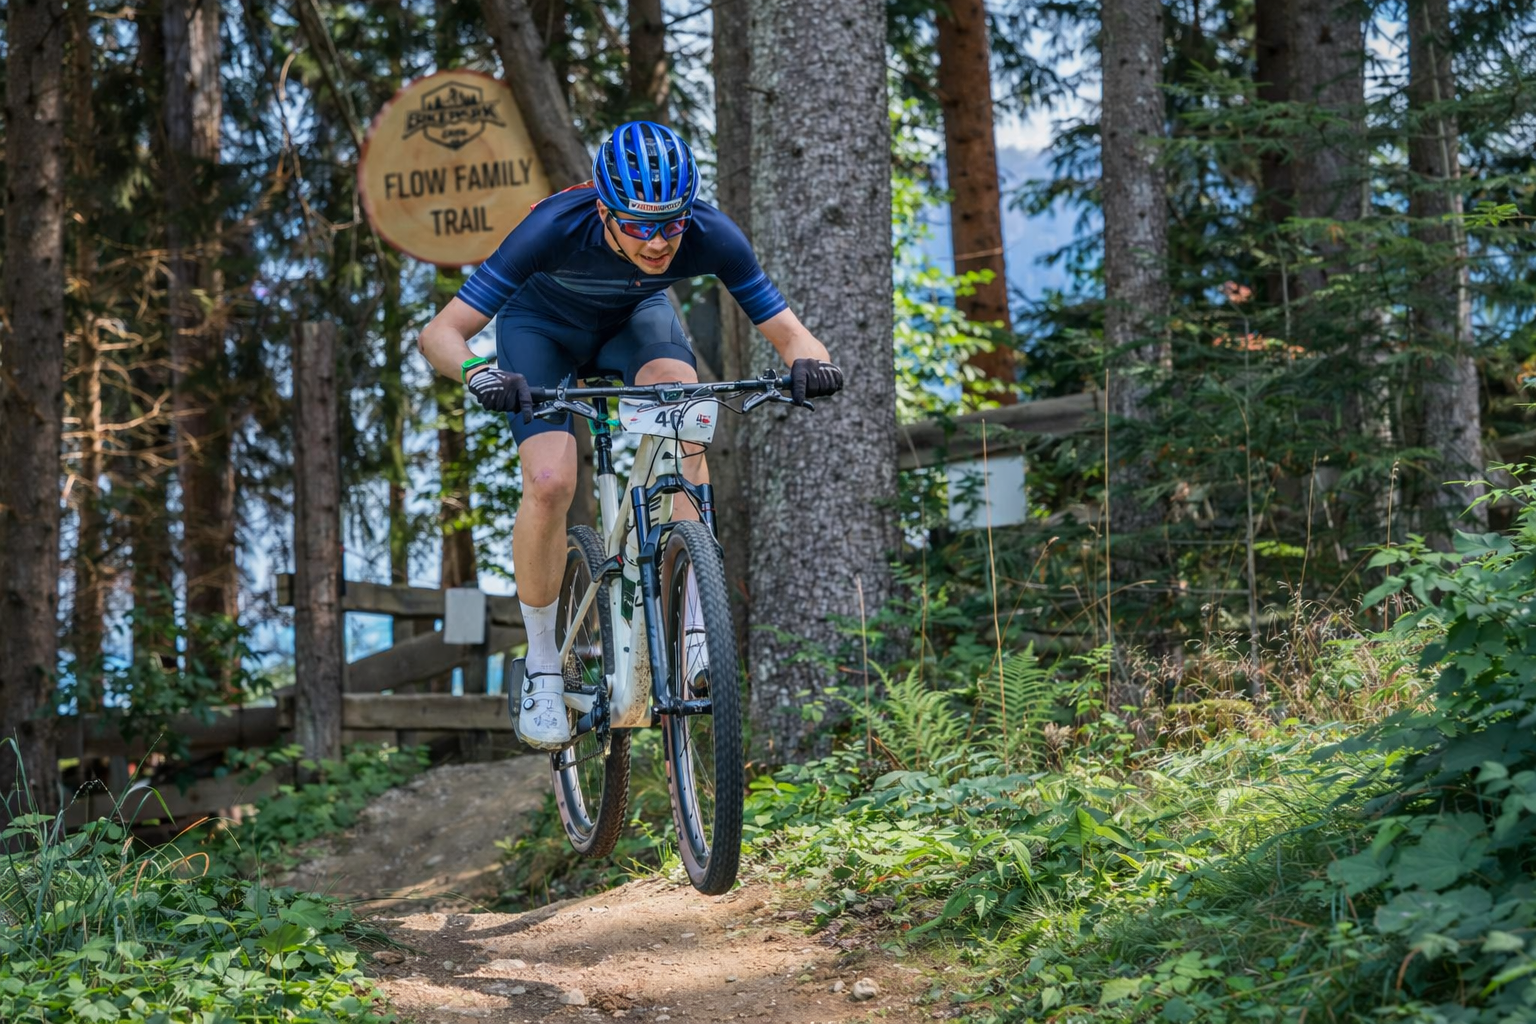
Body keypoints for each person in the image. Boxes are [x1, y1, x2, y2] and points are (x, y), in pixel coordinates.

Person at [417, 120, 843, 750]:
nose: (658, 243)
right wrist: (481, 373)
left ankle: (697, 627)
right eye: (640, 225)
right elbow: (439, 335)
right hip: (542, 330)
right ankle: (540, 665)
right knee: (550, 480)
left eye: (671, 224)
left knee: (687, 415)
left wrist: (810, 363)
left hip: (634, 323)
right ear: (603, 208)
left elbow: (794, 335)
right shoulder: (553, 228)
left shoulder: (708, 232)